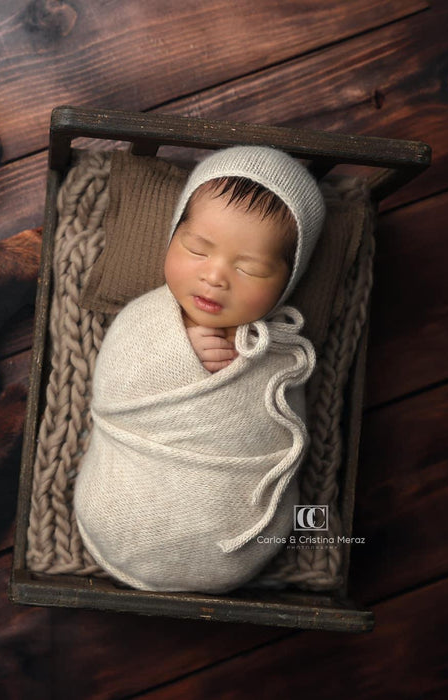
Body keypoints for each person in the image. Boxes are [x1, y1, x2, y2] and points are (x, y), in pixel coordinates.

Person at [73, 145, 325, 593]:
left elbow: (282, 436)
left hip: (232, 535)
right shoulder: (144, 318)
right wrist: (173, 355)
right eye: (197, 248)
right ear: (173, 235)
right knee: (117, 501)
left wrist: (244, 372)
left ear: (288, 281)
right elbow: (112, 386)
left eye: (249, 268)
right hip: (126, 494)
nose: (215, 277)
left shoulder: (283, 355)